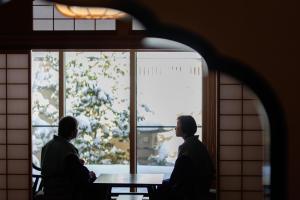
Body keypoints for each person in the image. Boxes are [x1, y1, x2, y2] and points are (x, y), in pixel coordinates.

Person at [41, 116, 100, 200]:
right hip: (64, 191)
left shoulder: (48, 145)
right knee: (100, 187)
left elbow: (58, 165)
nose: (77, 130)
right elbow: (80, 176)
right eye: (76, 128)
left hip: (48, 190)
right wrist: (90, 175)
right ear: (72, 132)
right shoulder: (67, 148)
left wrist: (77, 163)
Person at [157, 115, 214, 200]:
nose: (175, 128)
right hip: (201, 187)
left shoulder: (185, 147)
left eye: (177, 125)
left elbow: (175, 176)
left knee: (161, 187)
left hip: (189, 190)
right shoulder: (199, 144)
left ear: (184, 128)